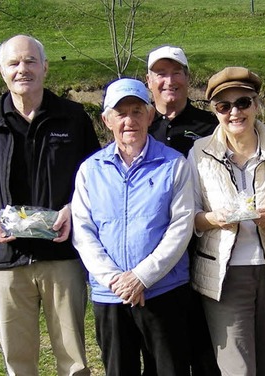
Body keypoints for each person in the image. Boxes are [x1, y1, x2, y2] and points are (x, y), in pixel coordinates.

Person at [0, 34, 99, 375]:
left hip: (61, 255)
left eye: (30, 61)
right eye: (13, 63)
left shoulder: (73, 117)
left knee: (74, 361)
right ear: (2, 71)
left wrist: (71, 210)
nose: (23, 69)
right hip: (6, 259)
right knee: (18, 360)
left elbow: (94, 181)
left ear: (45, 67)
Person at [71, 78, 194, 376]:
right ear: (107, 120)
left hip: (163, 291)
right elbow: (83, 231)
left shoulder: (174, 164)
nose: (129, 121)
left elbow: (181, 227)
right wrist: (117, 280)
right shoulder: (91, 170)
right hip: (110, 295)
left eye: (137, 111)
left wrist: (142, 277)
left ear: (150, 115)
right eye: (120, 113)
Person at [187, 66, 265, 376]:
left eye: (243, 103)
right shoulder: (199, 153)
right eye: (224, 106)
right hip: (224, 276)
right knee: (237, 369)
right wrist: (214, 218)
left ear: (256, 104)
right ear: (215, 111)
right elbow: (190, 217)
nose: (234, 112)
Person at [145, 44, 220, 376]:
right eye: (160, 73)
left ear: (188, 78)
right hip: (154, 258)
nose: (169, 81)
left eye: (176, 72)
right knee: (161, 355)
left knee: (205, 351)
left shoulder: (209, 125)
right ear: (149, 80)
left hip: (202, 250)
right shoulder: (138, 127)